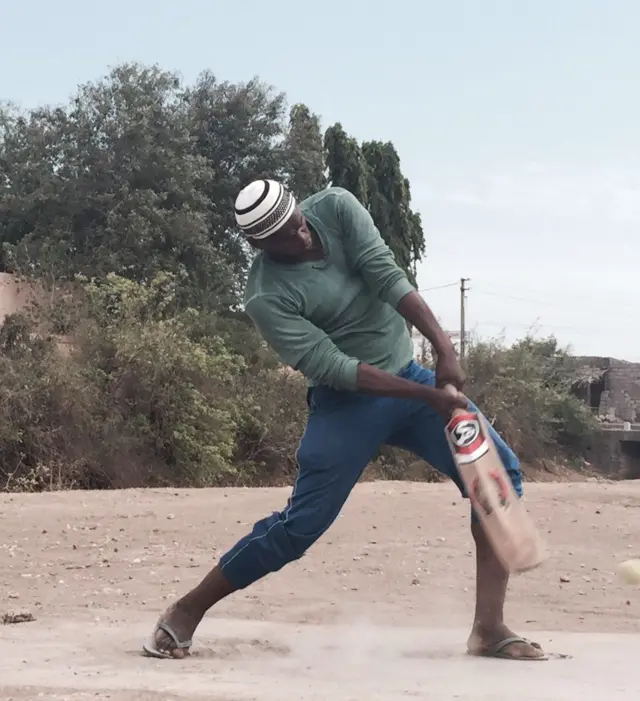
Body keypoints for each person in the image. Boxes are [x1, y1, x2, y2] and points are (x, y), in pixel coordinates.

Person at [142, 180, 546, 662]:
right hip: (347, 403)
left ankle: (489, 628)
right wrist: (429, 397)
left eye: (299, 225)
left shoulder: (335, 208)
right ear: (259, 245)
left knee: (497, 475)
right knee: (301, 525)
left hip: (414, 380)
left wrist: (444, 350)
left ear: (300, 207)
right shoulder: (266, 297)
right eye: (286, 239)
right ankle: (186, 611)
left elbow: (386, 275)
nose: (303, 239)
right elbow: (334, 367)